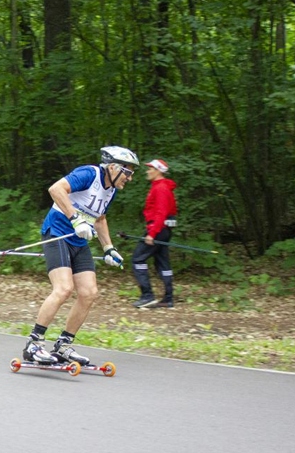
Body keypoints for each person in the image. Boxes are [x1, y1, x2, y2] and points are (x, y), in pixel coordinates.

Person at [21, 145, 139, 366]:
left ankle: (63, 345)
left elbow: (100, 218)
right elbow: (56, 189)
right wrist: (75, 219)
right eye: (128, 172)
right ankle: (34, 344)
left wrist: (109, 248)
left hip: (79, 240)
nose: (130, 178)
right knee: (64, 289)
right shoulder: (89, 174)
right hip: (56, 233)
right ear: (113, 167)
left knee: (89, 292)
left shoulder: (111, 190)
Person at [131, 159, 178, 308]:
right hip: (163, 229)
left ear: (158, 171)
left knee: (138, 259)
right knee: (162, 262)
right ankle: (168, 298)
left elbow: (161, 213)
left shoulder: (161, 188)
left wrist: (152, 233)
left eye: (150, 168)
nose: (147, 171)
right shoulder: (160, 187)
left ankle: (147, 296)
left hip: (157, 229)